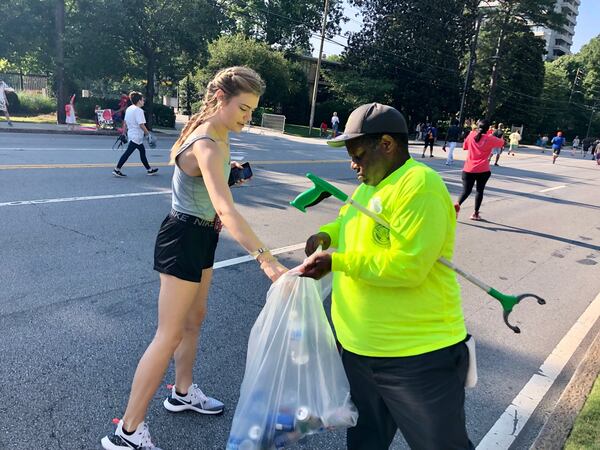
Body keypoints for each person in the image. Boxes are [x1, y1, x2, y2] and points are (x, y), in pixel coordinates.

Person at [101, 67, 288, 450]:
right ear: (221, 98)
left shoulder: (218, 133)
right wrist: (267, 261)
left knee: (194, 319)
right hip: (183, 236)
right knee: (167, 334)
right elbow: (227, 209)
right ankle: (128, 432)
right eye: (243, 109)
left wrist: (229, 175)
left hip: (203, 235)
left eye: (252, 111)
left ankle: (182, 392)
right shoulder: (207, 140)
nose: (247, 118)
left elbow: (206, 182)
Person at [299, 102, 473, 450]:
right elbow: (349, 222)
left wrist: (339, 262)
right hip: (361, 352)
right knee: (365, 443)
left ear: (388, 145)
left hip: (416, 357)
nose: (353, 165)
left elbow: (409, 266)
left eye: (359, 154)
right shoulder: (368, 186)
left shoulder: (418, 185)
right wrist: (327, 236)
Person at [456, 119, 504, 221]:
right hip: (483, 170)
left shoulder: (471, 135)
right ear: (488, 129)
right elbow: (502, 143)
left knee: (466, 191)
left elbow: (465, 147)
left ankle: (457, 204)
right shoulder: (490, 138)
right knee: (479, 191)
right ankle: (475, 213)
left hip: (468, 169)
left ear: (478, 127)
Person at [112, 91, 159, 177]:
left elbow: (125, 122)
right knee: (128, 153)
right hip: (136, 136)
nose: (143, 101)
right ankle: (117, 169)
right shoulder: (139, 111)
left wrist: (123, 133)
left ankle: (149, 170)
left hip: (132, 134)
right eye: (142, 100)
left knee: (142, 152)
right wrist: (148, 134)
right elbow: (141, 124)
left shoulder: (129, 108)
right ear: (139, 101)